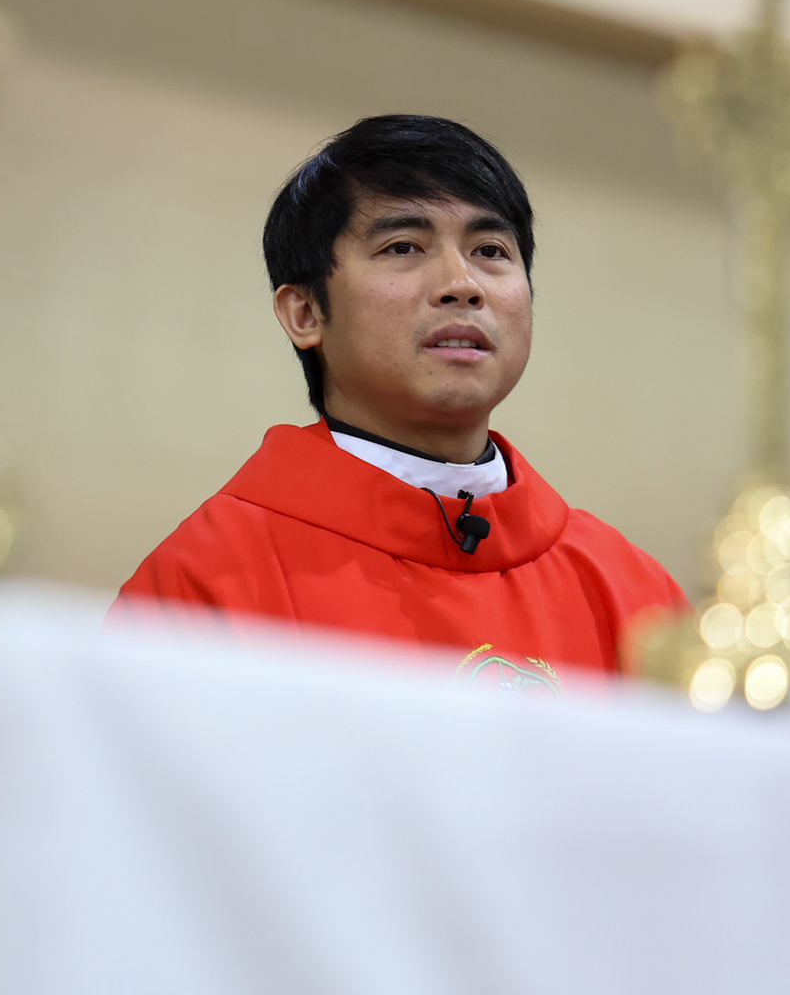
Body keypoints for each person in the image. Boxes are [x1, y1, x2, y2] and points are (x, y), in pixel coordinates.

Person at [118, 114, 685, 687]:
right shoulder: (205, 585)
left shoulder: (637, 597)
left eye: (490, 249)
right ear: (306, 313)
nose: (462, 284)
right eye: (403, 246)